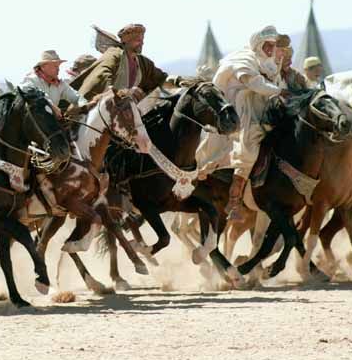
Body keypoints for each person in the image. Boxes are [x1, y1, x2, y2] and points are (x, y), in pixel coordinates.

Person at [201, 25, 289, 221]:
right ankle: (234, 200)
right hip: (231, 109)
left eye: (273, 46)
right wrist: (279, 92)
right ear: (258, 44)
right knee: (250, 143)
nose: (271, 49)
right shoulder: (244, 59)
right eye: (268, 44)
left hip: (253, 107)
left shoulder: (268, 62)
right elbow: (254, 84)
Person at [72, 24, 180, 101]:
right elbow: (103, 75)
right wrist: (121, 93)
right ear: (126, 41)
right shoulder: (114, 53)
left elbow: (161, 78)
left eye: (142, 39)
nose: (142, 43)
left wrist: (180, 81)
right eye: (138, 40)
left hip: (126, 108)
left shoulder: (143, 62)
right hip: (102, 106)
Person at [21, 50, 88, 115]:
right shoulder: (31, 79)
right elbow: (26, 90)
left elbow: (77, 97)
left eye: (58, 66)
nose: (58, 69)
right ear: (43, 66)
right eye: (55, 66)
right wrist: (51, 105)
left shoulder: (60, 84)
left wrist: (84, 105)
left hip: (49, 123)